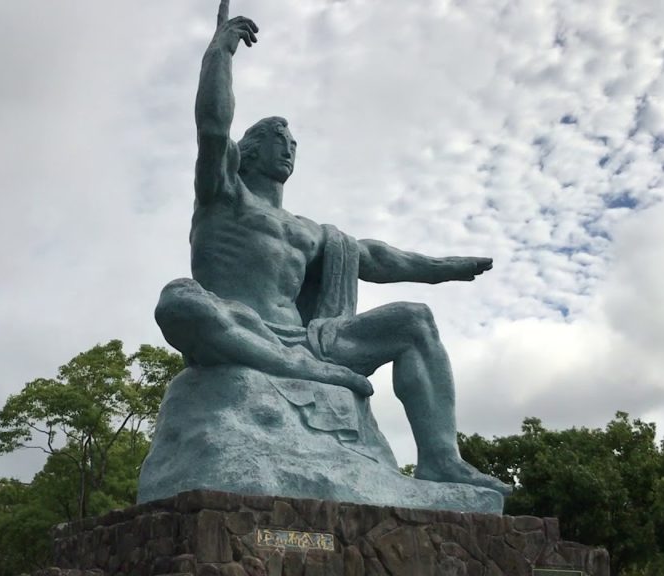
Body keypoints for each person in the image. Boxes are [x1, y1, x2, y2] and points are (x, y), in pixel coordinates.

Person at [155, 0, 509, 494]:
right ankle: (295, 369)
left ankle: (441, 459)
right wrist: (220, 53)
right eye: (279, 138)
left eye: (294, 143)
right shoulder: (223, 196)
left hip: (312, 342)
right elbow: (212, 128)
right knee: (178, 300)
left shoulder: (309, 231)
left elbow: (376, 258)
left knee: (415, 321)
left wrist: (442, 268)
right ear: (249, 150)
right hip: (240, 327)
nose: (290, 148)